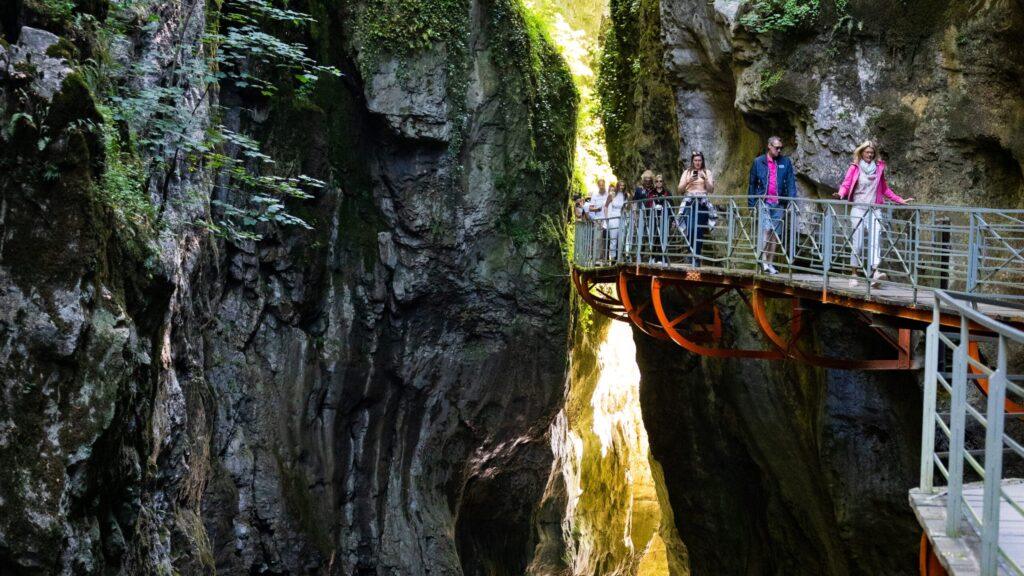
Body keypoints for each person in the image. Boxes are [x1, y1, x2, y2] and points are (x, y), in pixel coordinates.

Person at [833, 140, 913, 287]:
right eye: (867, 152)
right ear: (862, 152)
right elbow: (846, 184)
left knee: (875, 241)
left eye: (872, 152)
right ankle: (854, 274)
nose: (870, 154)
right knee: (857, 244)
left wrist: (900, 200)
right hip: (858, 208)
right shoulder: (855, 168)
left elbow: (885, 189)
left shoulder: (878, 168)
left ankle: (875, 273)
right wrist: (840, 194)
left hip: (874, 209)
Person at [747, 136, 796, 275]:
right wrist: (751, 204)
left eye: (780, 148)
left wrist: (792, 201)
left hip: (779, 203)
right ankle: (763, 260)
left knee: (775, 235)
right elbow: (752, 184)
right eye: (776, 148)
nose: (779, 150)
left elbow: (791, 181)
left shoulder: (785, 162)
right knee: (766, 230)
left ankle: (770, 263)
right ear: (769, 146)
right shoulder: (758, 162)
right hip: (764, 202)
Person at [677, 151, 716, 266]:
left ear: (702, 161)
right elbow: (679, 189)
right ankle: (692, 253)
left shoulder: (707, 172)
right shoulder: (687, 172)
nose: (698, 162)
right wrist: (689, 181)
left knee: (698, 230)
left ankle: (696, 257)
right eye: (695, 160)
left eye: (699, 160)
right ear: (692, 161)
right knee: (690, 228)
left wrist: (706, 180)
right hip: (689, 202)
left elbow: (711, 190)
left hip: (702, 203)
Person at [604, 181, 628, 260]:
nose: (622, 187)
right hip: (613, 218)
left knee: (621, 239)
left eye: (623, 185)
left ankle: (620, 258)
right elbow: (606, 206)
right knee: (613, 240)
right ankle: (613, 258)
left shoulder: (625, 195)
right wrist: (607, 218)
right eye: (620, 185)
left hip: (621, 218)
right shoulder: (612, 194)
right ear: (618, 186)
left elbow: (624, 208)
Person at [589, 178, 610, 260]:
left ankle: (605, 258)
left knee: (606, 239)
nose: (601, 187)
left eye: (603, 185)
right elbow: (590, 208)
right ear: (598, 186)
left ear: (605, 185)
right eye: (600, 185)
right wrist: (597, 209)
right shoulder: (594, 195)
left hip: (607, 220)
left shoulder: (608, 194)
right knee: (598, 239)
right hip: (598, 220)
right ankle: (597, 258)